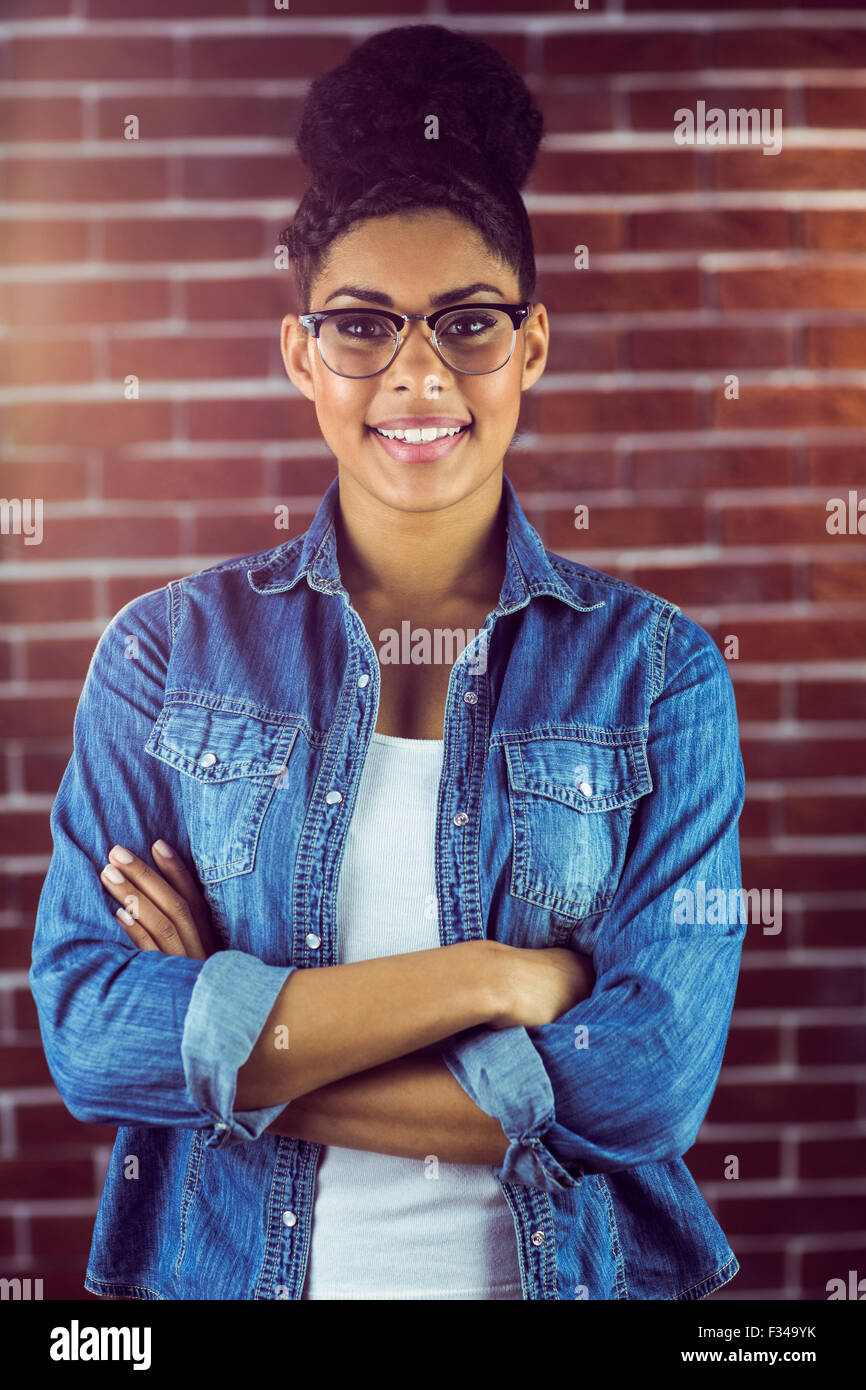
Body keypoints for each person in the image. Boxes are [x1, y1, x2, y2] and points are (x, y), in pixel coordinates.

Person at [30, 23, 747, 1301]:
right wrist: (487, 981)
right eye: (362, 326)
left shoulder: (657, 675)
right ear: (302, 352)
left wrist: (239, 1045)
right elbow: (90, 1033)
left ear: (530, 344)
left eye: (466, 322)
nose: (417, 373)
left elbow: (646, 1084)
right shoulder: (165, 654)